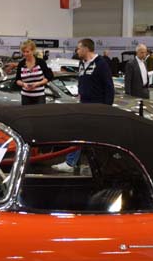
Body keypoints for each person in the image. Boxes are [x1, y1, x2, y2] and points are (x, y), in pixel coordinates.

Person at [58, 38, 114, 171]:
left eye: (78, 48)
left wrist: (107, 108)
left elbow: (109, 86)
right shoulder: (81, 63)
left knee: (95, 137)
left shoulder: (101, 63)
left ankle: (99, 165)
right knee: (79, 132)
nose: (76, 51)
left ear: (86, 48)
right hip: (84, 105)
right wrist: (80, 92)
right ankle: (72, 162)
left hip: (98, 107)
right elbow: (81, 80)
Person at [14, 39, 54, 105]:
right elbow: (17, 80)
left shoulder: (41, 62)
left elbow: (49, 76)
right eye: (23, 52)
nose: (25, 54)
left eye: (27, 52)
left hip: (39, 96)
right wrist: (24, 84)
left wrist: (38, 83)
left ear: (33, 51)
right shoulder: (21, 64)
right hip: (25, 96)